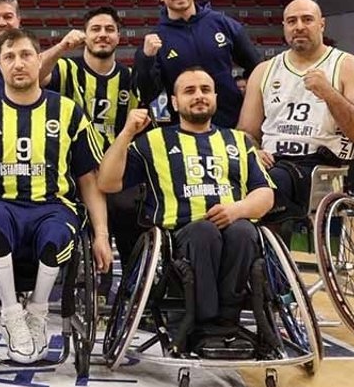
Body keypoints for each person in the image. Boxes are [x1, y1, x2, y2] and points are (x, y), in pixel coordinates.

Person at [0, 29, 111, 364]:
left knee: (59, 233)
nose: (18, 63)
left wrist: (101, 234)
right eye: (9, 57)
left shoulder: (68, 111)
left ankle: (38, 312)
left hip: (53, 207)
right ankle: (12, 313)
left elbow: (89, 179)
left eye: (26, 55)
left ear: (39, 60)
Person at [98, 68, 275, 335]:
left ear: (215, 97)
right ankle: (204, 321)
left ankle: (228, 320)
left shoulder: (238, 141)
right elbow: (107, 183)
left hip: (234, 227)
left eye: (205, 90)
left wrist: (236, 210)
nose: (199, 96)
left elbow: (265, 193)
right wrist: (126, 134)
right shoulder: (154, 141)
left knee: (243, 230)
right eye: (189, 91)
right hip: (179, 237)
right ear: (174, 102)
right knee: (204, 231)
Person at [237, 0, 354, 226]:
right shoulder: (264, 70)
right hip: (272, 162)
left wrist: (329, 94)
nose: (299, 26)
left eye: (307, 19)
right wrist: (253, 151)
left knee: (268, 184)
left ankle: (266, 244)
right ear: (284, 26)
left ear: (322, 24)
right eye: (292, 21)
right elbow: (246, 132)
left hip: (319, 167)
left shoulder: (350, 66)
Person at [38, 5, 152, 260]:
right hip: (71, 169)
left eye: (109, 29)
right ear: (85, 35)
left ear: (118, 36)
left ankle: (131, 275)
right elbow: (32, 73)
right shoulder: (66, 68)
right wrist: (61, 47)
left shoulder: (130, 78)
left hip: (115, 171)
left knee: (129, 208)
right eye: (96, 29)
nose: (102, 34)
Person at [133, 0, 262, 127]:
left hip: (231, 125)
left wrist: (249, 106)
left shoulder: (223, 24)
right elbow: (147, 94)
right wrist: (146, 59)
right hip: (184, 129)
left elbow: (257, 67)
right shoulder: (155, 40)